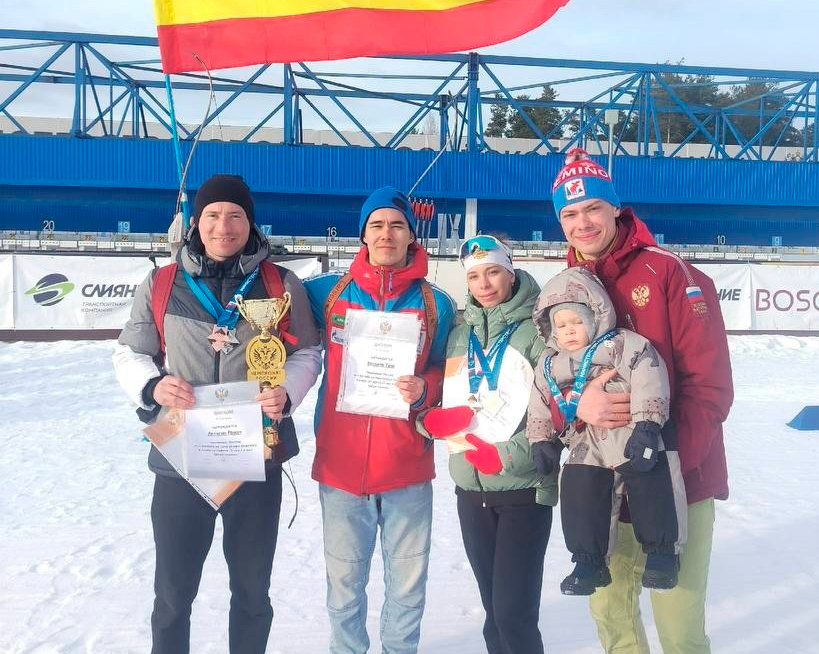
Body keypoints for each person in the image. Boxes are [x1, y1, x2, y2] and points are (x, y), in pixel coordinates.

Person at [112, 173, 320, 654]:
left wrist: (286, 393)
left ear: (250, 223)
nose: (223, 226)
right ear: (195, 223)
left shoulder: (279, 282)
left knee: (252, 595)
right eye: (212, 215)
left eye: (234, 216)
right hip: (181, 461)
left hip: (255, 460)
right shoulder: (162, 282)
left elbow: (307, 354)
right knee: (172, 595)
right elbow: (129, 351)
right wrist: (152, 384)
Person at [550, 149, 734, 654]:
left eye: (592, 208)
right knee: (614, 620)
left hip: (674, 478)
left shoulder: (670, 273)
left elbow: (709, 387)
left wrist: (662, 467)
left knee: (678, 625)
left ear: (615, 209)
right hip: (601, 486)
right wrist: (573, 407)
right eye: (568, 213)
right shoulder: (565, 290)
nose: (582, 222)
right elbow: (549, 377)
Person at [303, 186, 455, 654]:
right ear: (363, 235)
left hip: (406, 466)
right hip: (342, 467)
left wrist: (426, 387)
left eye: (396, 225)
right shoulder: (325, 293)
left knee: (407, 586)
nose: (386, 233)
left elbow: (450, 372)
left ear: (411, 235)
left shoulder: (436, 303)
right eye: (377, 225)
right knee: (344, 586)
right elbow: (269, 321)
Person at [418, 234, 557, 654]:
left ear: (511, 272)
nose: (484, 283)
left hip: (523, 490)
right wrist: (431, 421)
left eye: (493, 271)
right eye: (475, 275)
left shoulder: (538, 331)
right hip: (471, 489)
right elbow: (446, 398)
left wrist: (506, 455)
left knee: (514, 614)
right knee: (493, 615)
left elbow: (557, 413)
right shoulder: (459, 335)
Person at [527, 266, 686, 597]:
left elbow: (648, 373)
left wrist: (647, 422)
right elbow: (540, 399)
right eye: (561, 325)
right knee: (579, 490)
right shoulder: (549, 362)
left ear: (594, 316)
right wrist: (541, 439)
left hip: (629, 428)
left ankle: (661, 554)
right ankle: (588, 560)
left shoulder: (621, 344)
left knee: (651, 482)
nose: (569, 331)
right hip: (587, 439)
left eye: (576, 322)